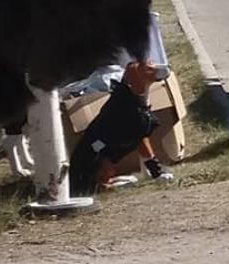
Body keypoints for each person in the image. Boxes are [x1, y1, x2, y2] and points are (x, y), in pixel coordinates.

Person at [68, 60, 175, 194]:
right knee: (100, 157)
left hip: (99, 154)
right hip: (92, 159)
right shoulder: (129, 108)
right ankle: (101, 185)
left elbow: (141, 138)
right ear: (135, 81)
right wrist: (157, 172)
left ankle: (148, 173)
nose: (160, 68)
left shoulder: (128, 101)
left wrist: (153, 171)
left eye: (153, 65)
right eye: (149, 69)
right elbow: (141, 139)